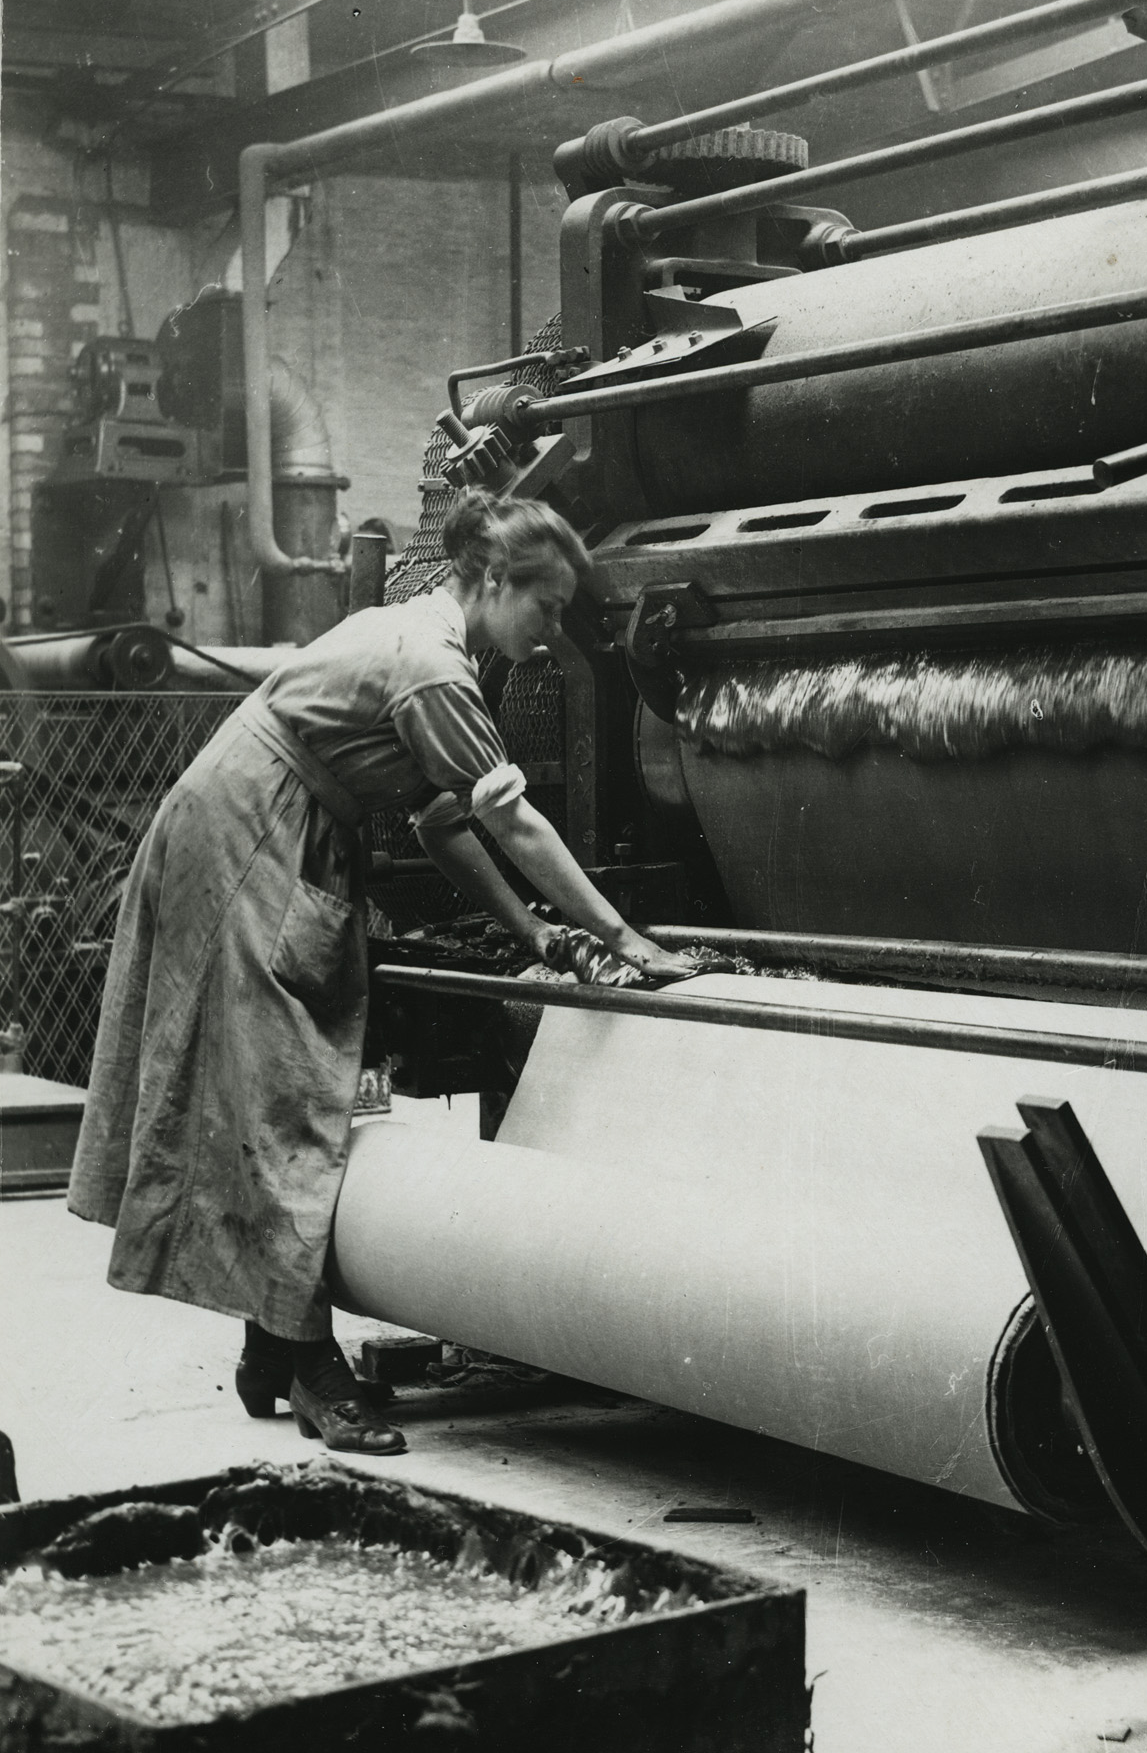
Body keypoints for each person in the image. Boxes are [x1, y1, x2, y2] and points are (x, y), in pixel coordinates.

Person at [69, 491, 695, 1455]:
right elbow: (512, 821)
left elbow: (447, 824)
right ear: (490, 581)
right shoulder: (433, 664)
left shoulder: (437, 649)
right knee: (283, 1098)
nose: (553, 632)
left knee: (264, 1093)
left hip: (268, 818)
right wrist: (625, 936)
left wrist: (535, 933)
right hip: (252, 829)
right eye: (546, 606)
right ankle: (317, 1371)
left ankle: (274, 1345)